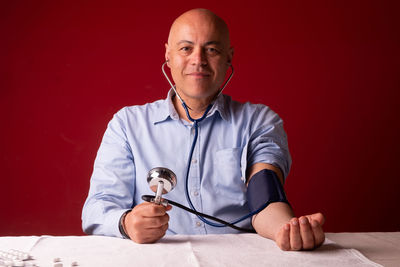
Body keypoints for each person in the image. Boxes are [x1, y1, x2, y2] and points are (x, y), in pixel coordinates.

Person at [82, 8, 325, 251]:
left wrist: (287, 230)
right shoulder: (127, 125)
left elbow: (266, 198)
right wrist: (126, 222)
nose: (198, 60)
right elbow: (97, 208)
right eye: (186, 48)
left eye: (212, 49)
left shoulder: (260, 121)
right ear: (168, 55)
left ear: (229, 57)